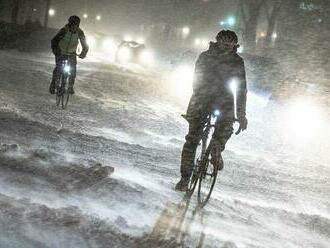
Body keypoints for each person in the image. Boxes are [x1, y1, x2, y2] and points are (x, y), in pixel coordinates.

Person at [175, 30, 248, 191]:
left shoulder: (209, 57)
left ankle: (214, 152)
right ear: (217, 41)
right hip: (210, 100)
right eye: (223, 43)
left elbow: (241, 89)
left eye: (229, 44)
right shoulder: (231, 60)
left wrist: (241, 114)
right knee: (195, 139)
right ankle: (186, 176)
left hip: (211, 100)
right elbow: (241, 89)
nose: (226, 46)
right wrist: (241, 114)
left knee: (195, 140)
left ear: (234, 45)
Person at [49, 15, 89, 95]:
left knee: (73, 70)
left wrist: (83, 53)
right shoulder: (64, 30)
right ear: (70, 24)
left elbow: (85, 45)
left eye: (76, 25)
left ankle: (70, 86)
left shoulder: (80, 32)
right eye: (73, 24)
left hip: (72, 53)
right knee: (58, 68)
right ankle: (53, 84)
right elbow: (54, 40)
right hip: (61, 52)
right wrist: (56, 50)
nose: (74, 27)